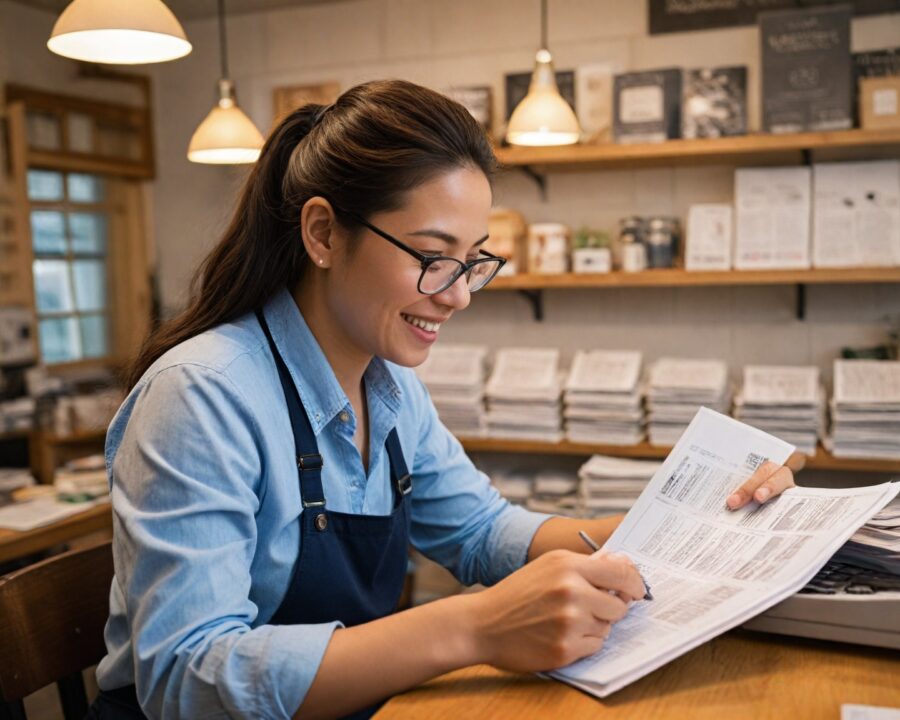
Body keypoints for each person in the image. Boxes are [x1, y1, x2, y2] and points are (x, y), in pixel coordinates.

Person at [85, 79, 799, 720]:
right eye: (433, 257)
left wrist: (686, 522)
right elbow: (185, 678)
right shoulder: (203, 395)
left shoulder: (388, 389)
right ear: (323, 233)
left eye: (473, 259)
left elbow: (483, 533)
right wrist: (473, 627)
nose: (458, 294)